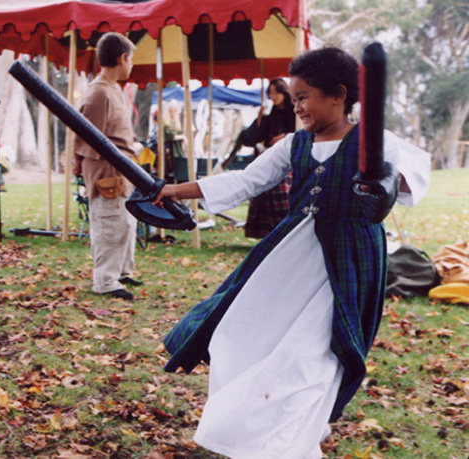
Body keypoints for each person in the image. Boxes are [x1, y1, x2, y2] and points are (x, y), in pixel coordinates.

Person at [151, 46, 430, 458]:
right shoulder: (294, 145)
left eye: (304, 97)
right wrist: (176, 189)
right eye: (294, 97)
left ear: (338, 94)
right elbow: (245, 181)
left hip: (347, 265)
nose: (297, 106)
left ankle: (294, 441)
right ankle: (259, 427)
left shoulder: (376, 141)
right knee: (241, 330)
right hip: (292, 258)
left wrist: (384, 184)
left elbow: (406, 176)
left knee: (313, 357)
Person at [72, 32, 140, 300]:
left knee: (125, 222)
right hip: (107, 171)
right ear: (122, 58)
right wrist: (80, 163)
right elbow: (86, 136)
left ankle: (121, 271)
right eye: (130, 58)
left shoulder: (113, 90)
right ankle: (105, 279)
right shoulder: (98, 93)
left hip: (122, 168)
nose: (131, 64)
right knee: (110, 222)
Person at [242, 78, 295, 238]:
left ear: (284, 92)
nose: (273, 96)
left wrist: (285, 137)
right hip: (269, 156)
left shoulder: (294, 112)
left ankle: (287, 231)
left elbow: (302, 132)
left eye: (276, 92)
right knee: (264, 194)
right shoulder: (269, 114)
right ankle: (268, 233)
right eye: (270, 92)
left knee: (284, 196)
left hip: (287, 159)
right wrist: (258, 121)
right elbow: (251, 139)